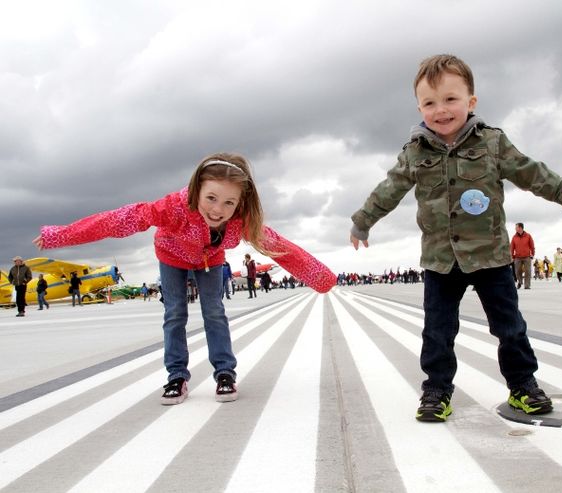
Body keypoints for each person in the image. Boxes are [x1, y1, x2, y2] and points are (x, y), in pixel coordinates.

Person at [349, 54, 562, 422]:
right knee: (437, 332)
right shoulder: (414, 153)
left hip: (492, 258)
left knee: (510, 327)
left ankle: (522, 387)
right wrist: (362, 221)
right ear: (419, 107)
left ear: (471, 102)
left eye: (451, 99)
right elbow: (388, 190)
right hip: (440, 260)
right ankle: (436, 391)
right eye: (430, 103)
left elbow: (536, 175)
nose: (441, 110)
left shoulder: (493, 143)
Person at [34, 152, 336, 405]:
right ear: (196, 190)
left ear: (240, 204)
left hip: (210, 259)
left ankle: (225, 373)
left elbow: (281, 248)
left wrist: (321, 278)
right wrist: (58, 235)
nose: (218, 210)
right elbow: (118, 221)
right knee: (175, 313)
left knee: (214, 312)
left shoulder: (242, 222)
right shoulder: (173, 208)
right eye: (211, 198)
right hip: (171, 255)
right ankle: (176, 376)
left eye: (229, 203)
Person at [510, 222, 535, 289]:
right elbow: (511, 247)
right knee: (517, 271)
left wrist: (532, 254)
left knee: (528, 271)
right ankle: (520, 282)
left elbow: (532, 246)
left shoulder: (528, 236)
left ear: (520, 228)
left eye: (516, 227)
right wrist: (511, 256)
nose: (515, 228)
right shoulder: (514, 237)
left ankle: (527, 286)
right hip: (517, 257)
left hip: (527, 256)